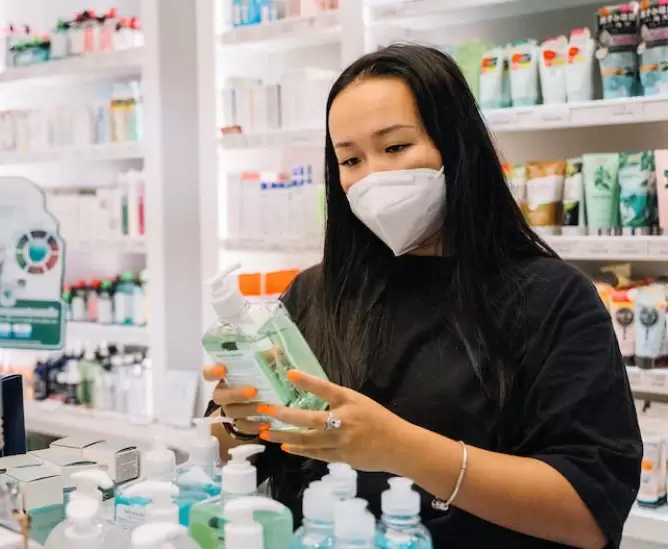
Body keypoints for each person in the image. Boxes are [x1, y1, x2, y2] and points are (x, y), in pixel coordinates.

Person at [203, 44, 642, 549]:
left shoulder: (553, 298)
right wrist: (239, 421)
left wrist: (401, 449)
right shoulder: (318, 292)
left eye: (395, 148)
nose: (371, 177)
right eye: (350, 159)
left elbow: (588, 513)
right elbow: (254, 451)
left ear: (457, 145)